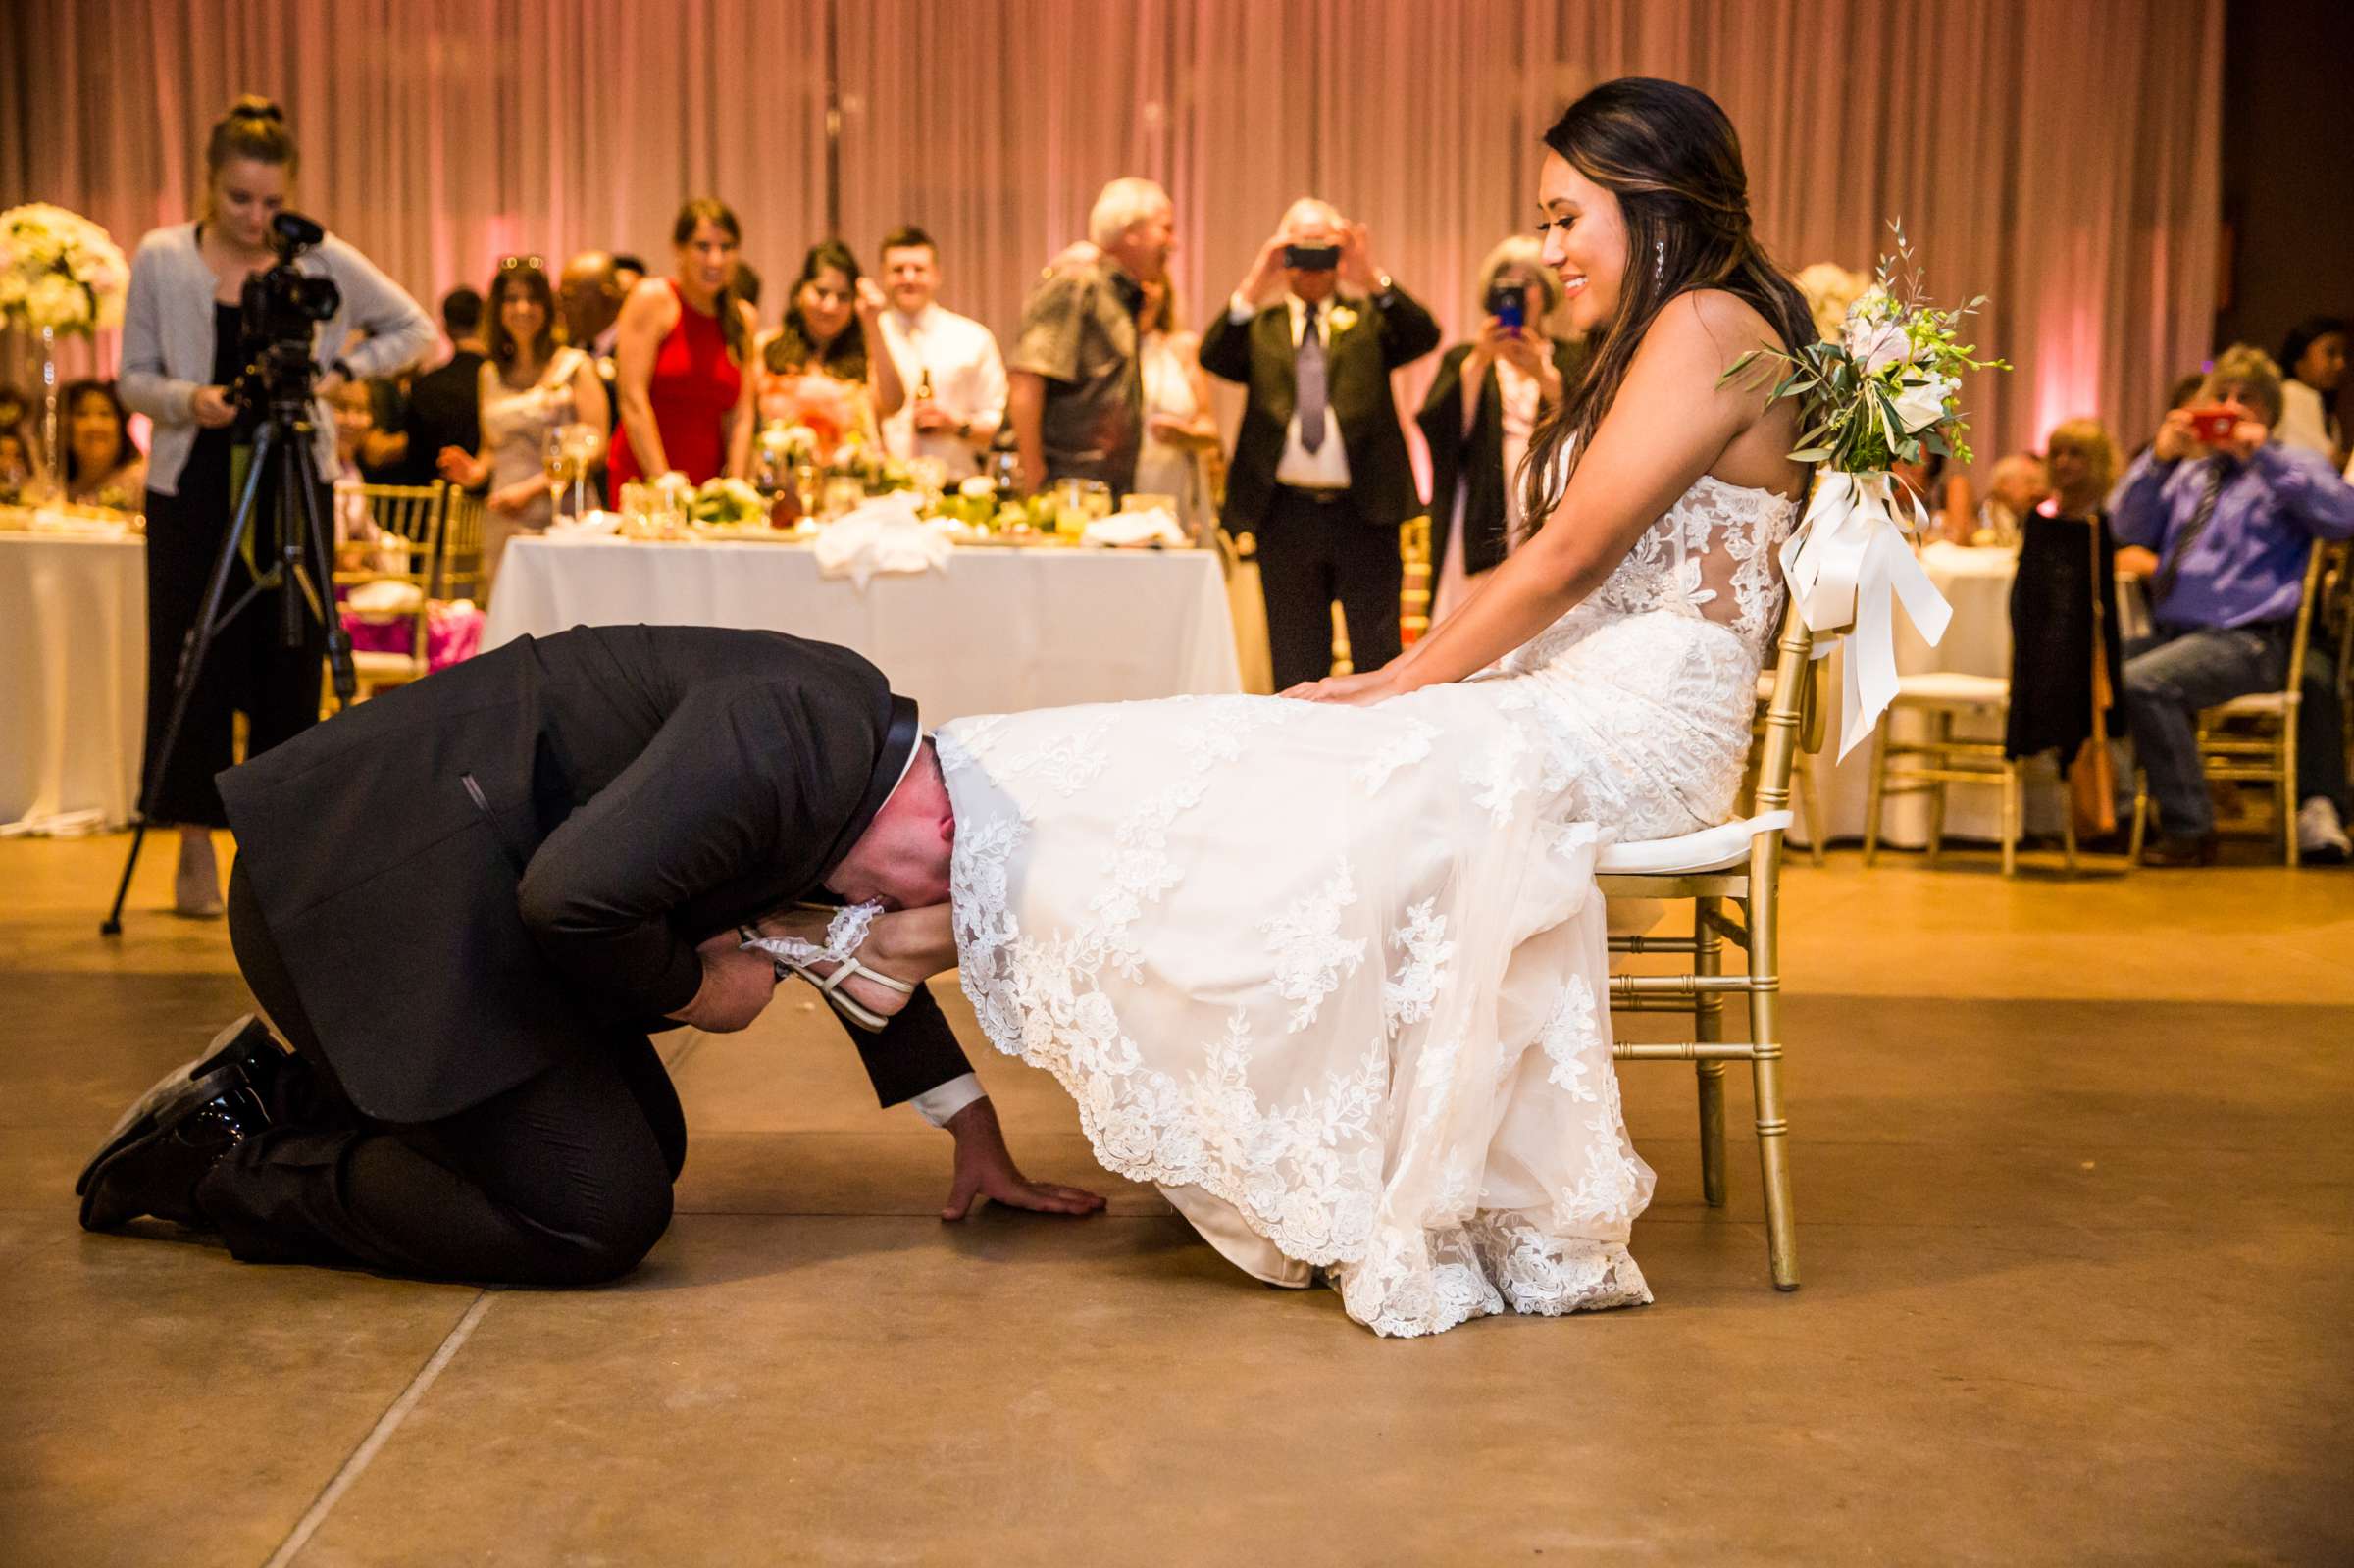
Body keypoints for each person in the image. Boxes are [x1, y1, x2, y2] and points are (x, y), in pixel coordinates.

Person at [753, 76, 1817, 1338]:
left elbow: (1568, 559)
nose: (1544, 251)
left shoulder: (1701, 320)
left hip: (1633, 725)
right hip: (1587, 696)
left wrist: (1405, 677)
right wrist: (1416, 682)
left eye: (1562, 218)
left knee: (1327, 757)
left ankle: (917, 930)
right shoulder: (1684, 329)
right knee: (1268, 746)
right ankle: (927, 926)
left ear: (1649, 204)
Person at [76, 626, 1107, 1282]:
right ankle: (228, 1164)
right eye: (931, 908)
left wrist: (970, 1130)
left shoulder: (849, 756)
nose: (895, 923)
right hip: (347, 903)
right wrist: (700, 988)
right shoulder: (784, 738)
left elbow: (839, 947)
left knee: (646, 1150)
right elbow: (570, 899)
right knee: (592, 1214)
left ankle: (269, 1092)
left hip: (452, 909)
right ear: (943, 831)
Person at [117, 94, 435, 919]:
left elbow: (411, 327)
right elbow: (131, 378)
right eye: (239, 200)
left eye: (271, 201)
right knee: (193, 652)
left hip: (295, 471)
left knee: (287, 657)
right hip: (195, 478)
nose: (257, 218)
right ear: (206, 186)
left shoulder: (317, 256)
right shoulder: (161, 256)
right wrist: (192, 399)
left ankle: (279, 850)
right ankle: (191, 841)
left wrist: (335, 377)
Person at [2109, 344, 2354, 866]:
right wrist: (2158, 457)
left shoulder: (2291, 466)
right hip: (2177, 633)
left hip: (2251, 640)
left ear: (2268, 411)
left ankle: (2190, 829)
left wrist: (2260, 455)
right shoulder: (2189, 474)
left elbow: (2343, 519)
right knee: (2096, 674)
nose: (2231, 406)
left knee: (2144, 682)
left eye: (2247, 399)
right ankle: (2118, 814)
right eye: (2221, 395)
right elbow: (2123, 528)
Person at [1200, 198, 1442, 691]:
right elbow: (1213, 355)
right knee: (1294, 660)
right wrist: (1256, 279)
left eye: (1322, 247)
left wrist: (1368, 273)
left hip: (1365, 511)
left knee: (1377, 656)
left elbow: (1424, 335)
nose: (1311, 262)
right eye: (1299, 247)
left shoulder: (1370, 318)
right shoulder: (1261, 326)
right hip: (1285, 516)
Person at [1417, 235, 1588, 624]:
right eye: (1506, 283)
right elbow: (1441, 432)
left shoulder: (1572, 356)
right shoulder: (1465, 358)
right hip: (1482, 494)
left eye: (1528, 281)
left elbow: (1589, 429)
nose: (1518, 292)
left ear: (1545, 293)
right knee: (1476, 610)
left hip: (1548, 491)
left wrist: (1544, 378)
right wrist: (1479, 362)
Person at [436, 256, 610, 583]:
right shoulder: (489, 374)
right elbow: (492, 450)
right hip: (505, 512)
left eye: (532, 299)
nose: (522, 309)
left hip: (564, 514)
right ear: (498, 310)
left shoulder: (575, 366)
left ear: (547, 307)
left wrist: (533, 489)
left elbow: (596, 448)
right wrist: (473, 472)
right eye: (512, 300)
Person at [1005, 176, 1173, 496]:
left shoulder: (1114, 294)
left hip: (1093, 489)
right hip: (1061, 490)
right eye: (1165, 228)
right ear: (1131, 233)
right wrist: (1032, 470)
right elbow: (1027, 377)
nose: (1173, 242)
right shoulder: (1078, 283)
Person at [606, 199, 758, 489]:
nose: (715, 260)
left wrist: (736, 487)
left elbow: (741, 415)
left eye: (726, 248)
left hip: (705, 482)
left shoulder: (743, 318)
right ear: (679, 249)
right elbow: (632, 397)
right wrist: (662, 480)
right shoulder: (652, 299)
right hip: (643, 479)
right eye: (703, 247)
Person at [875, 225, 1007, 481]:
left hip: (957, 488)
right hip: (882, 489)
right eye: (898, 270)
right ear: (883, 276)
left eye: (919, 269)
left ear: (937, 275)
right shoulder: (869, 336)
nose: (909, 278)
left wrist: (956, 425)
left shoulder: (973, 338)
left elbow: (1000, 425)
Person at [751, 239, 903, 460]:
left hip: (849, 486)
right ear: (799, 292)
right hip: (778, 484)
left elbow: (893, 403)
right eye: (821, 293)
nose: (830, 306)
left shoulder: (867, 356)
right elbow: (742, 422)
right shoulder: (765, 347)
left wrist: (872, 322)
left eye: (843, 297)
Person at [364, 286, 487, 487]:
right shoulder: (497, 379)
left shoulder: (425, 385)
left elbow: (410, 450)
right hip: (484, 496)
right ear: (485, 322)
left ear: (446, 328)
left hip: (429, 502)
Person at [1131, 267, 1221, 540]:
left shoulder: (1182, 348)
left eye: (1153, 283)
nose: (1145, 292)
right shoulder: (1100, 355)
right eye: (1137, 284)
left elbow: (1210, 431)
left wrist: (1185, 435)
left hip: (1172, 487)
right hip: (1122, 486)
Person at [59, 379, 147, 508]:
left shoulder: (142, 483)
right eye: (82, 414)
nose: (95, 425)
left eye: (104, 414)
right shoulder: (57, 487)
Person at [2275, 315, 2345, 464]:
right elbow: (2324, 460)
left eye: (2344, 355)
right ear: (2299, 358)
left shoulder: (2330, 418)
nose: (2341, 364)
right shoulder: (2289, 394)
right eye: (2331, 353)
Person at [1971, 451, 2049, 547]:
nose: (2038, 491)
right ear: (2004, 484)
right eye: (2030, 483)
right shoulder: (1981, 518)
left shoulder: (2029, 521)